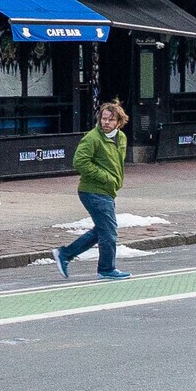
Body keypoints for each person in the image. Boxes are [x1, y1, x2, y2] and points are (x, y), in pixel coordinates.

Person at [56, 101, 132, 281]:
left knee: (103, 230)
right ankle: (106, 269)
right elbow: (79, 162)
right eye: (103, 118)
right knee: (109, 231)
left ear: (119, 122)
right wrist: (105, 177)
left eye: (110, 120)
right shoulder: (92, 138)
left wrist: (115, 181)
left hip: (108, 190)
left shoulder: (120, 138)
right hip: (93, 190)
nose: (106, 122)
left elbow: (117, 163)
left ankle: (65, 254)